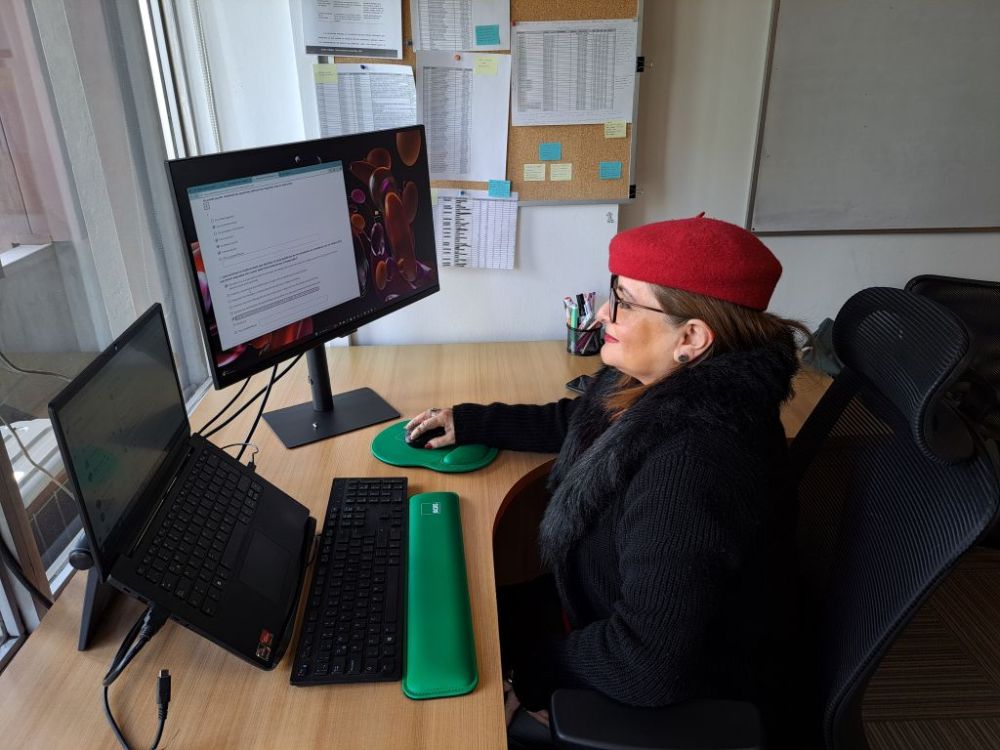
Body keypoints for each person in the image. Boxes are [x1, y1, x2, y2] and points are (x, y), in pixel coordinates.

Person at [406, 216, 806, 742]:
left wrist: (527, 677)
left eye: (624, 301)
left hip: (673, 682)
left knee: (442, 691)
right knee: (439, 612)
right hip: (602, 606)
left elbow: (646, 663)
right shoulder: (665, 385)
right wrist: (475, 420)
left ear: (691, 337)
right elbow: (588, 420)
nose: (601, 313)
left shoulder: (693, 464)